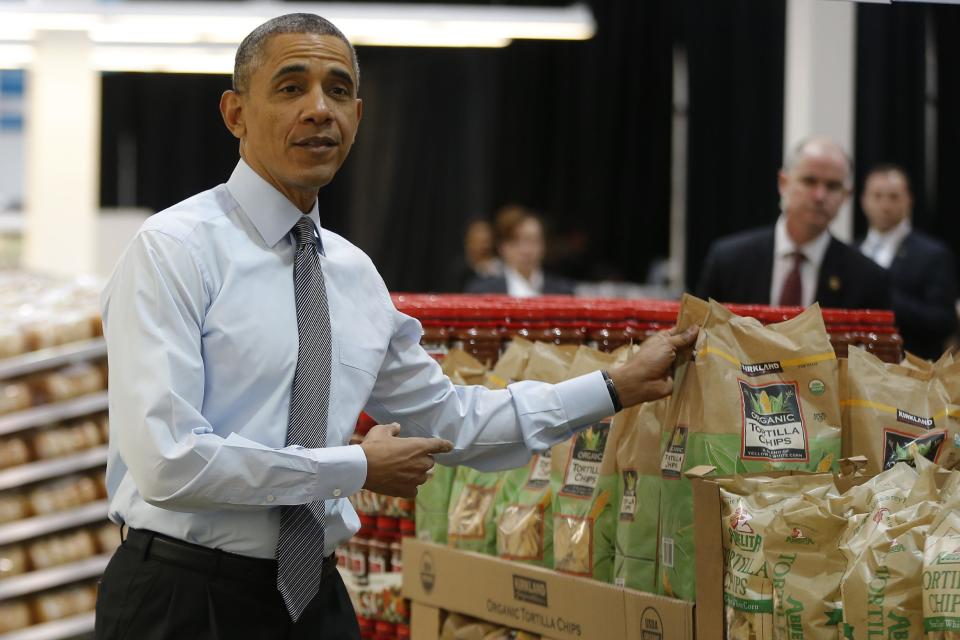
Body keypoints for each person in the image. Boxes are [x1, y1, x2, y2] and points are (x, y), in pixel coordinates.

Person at [95, 13, 697, 640]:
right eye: (290, 87)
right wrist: (350, 466)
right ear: (235, 113)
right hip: (182, 600)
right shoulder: (172, 250)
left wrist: (615, 387)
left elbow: (454, 421)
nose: (318, 109)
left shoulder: (353, 276)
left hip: (313, 600)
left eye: (336, 91)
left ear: (358, 114)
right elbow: (168, 461)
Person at [696, 137, 891, 310]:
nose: (820, 196)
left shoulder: (867, 278)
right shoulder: (729, 260)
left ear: (846, 195)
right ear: (783, 183)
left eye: (832, 186)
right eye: (809, 181)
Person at [859, 164, 958, 359]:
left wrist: (887, 299)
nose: (885, 205)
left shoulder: (933, 254)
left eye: (894, 197)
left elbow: (945, 322)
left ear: (908, 200)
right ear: (864, 200)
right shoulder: (852, 252)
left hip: (913, 370)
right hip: (855, 368)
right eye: (877, 196)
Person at [465, 205, 576, 296]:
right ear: (502, 246)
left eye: (533, 240)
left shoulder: (563, 292)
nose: (526, 250)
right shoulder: (482, 291)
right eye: (516, 241)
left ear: (544, 245)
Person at [441, 217, 502, 292]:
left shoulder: (502, 267)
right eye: (479, 241)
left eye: (486, 241)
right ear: (468, 242)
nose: (484, 246)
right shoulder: (460, 271)